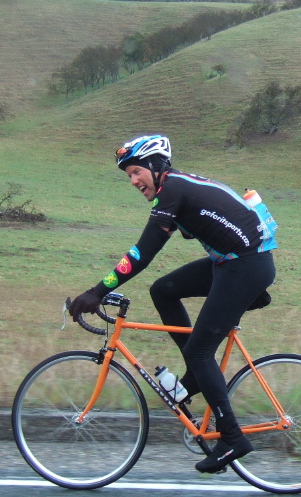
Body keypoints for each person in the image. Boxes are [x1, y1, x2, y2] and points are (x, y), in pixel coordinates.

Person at [67, 135, 277, 474]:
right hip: (234, 263)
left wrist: (97, 291)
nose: (133, 181)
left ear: (155, 166)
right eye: (129, 176)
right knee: (163, 291)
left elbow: (141, 254)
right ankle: (195, 375)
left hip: (244, 266)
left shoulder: (173, 190)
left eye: (136, 172)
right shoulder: (176, 190)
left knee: (199, 351)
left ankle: (231, 438)